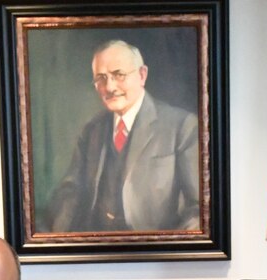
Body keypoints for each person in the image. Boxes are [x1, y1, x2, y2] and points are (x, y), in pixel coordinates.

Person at [46, 39, 200, 233]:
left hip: (153, 253)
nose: (109, 87)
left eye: (118, 75)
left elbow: (199, 211)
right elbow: (71, 193)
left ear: (142, 75)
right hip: (95, 252)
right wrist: (59, 242)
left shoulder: (182, 127)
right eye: (100, 78)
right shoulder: (92, 130)